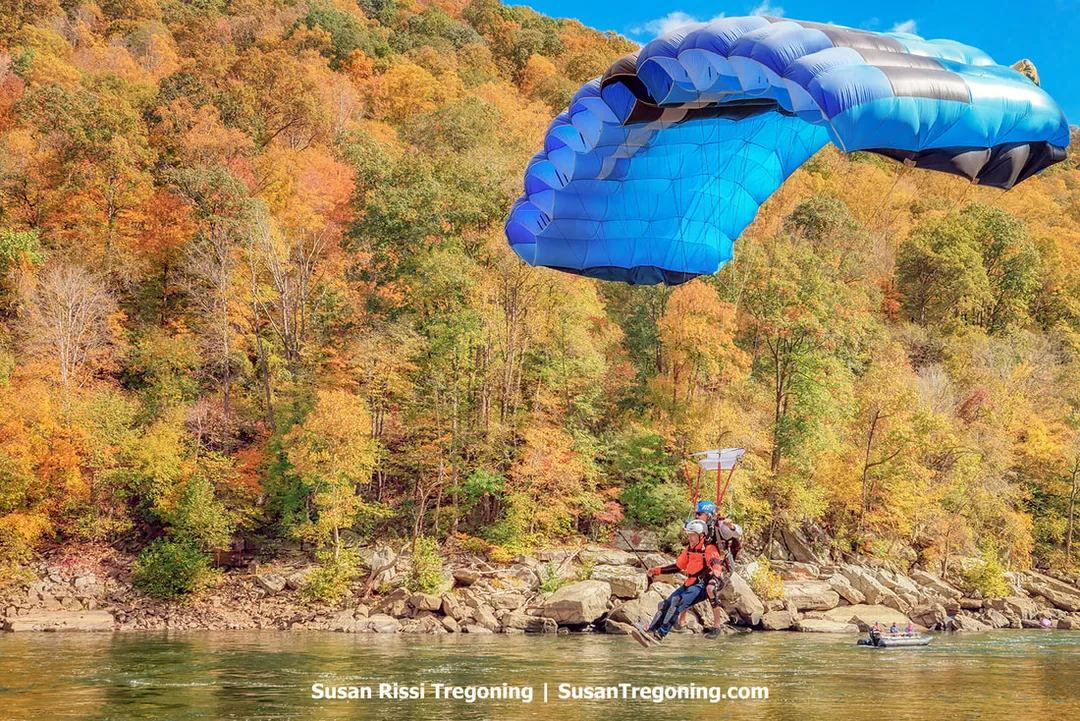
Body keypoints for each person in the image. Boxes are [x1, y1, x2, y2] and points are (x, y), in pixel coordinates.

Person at [632, 520, 725, 646]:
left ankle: (660, 634)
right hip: (690, 583)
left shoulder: (709, 548)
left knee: (678, 601)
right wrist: (657, 570)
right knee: (665, 604)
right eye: (688, 535)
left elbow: (715, 561)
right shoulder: (689, 549)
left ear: (701, 535)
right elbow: (677, 567)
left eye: (692, 535)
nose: (690, 538)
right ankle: (651, 631)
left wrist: (717, 570)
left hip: (701, 586)